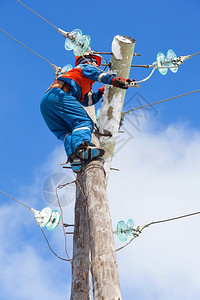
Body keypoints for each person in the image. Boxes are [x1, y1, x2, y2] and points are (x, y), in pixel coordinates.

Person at [40, 52, 129, 173]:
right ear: (90, 61)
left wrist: (101, 92)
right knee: (84, 121)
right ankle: (81, 147)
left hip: (47, 102)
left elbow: (87, 100)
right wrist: (113, 80)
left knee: (66, 133)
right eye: (96, 63)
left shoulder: (78, 79)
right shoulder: (85, 67)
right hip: (60, 95)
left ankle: (75, 158)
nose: (96, 65)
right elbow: (98, 75)